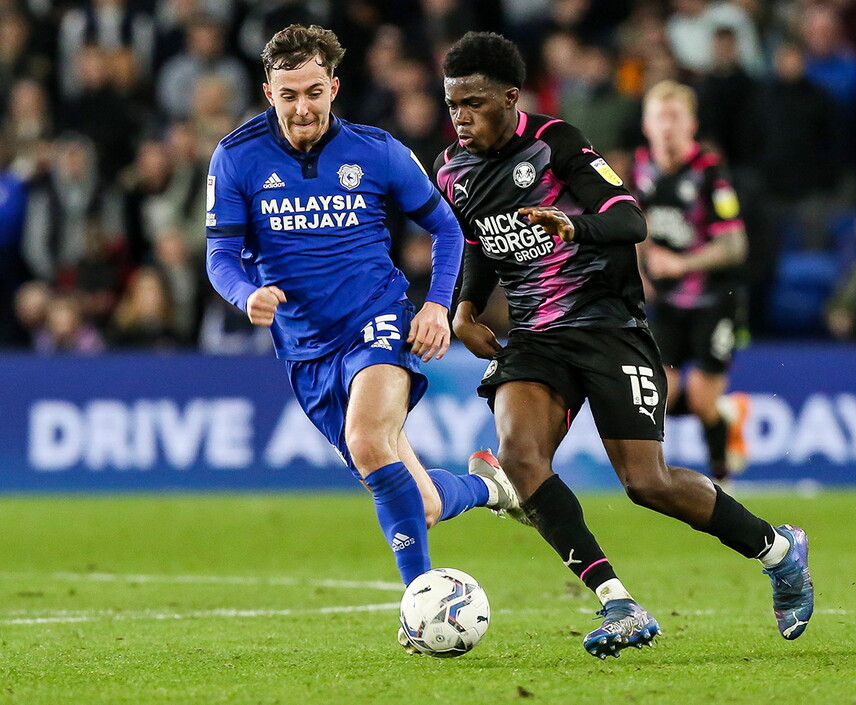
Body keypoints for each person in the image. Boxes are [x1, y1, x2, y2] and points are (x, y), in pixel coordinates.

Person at [438, 31, 813, 660]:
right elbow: (476, 244)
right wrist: (465, 308)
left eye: (474, 103)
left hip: (608, 326)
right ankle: (619, 603)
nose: (461, 117)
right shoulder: (453, 170)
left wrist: (572, 225)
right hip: (535, 339)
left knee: (647, 483)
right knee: (521, 457)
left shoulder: (555, 143)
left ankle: (779, 550)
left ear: (510, 96)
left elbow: (630, 219)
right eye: (453, 105)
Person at [204, 24, 522, 646]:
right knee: (421, 504)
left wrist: (435, 307)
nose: (302, 108)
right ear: (268, 90)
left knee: (368, 438)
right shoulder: (236, 157)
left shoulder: (377, 152)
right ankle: (490, 486)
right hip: (305, 348)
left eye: (314, 92)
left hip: (377, 320)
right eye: (289, 94)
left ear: (334, 88)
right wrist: (249, 294)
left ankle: (422, 606)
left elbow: (449, 231)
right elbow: (220, 258)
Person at [632, 79, 750, 483]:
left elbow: (735, 245)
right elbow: (637, 225)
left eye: (675, 117)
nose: (667, 126)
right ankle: (657, 479)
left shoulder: (710, 174)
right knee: (661, 394)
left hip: (716, 298)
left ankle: (723, 478)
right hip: (666, 301)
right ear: (646, 125)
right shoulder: (642, 168)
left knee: (701, 399)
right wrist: (641, 270)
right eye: (659, 117)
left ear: (691, 124)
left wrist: (681, 264)